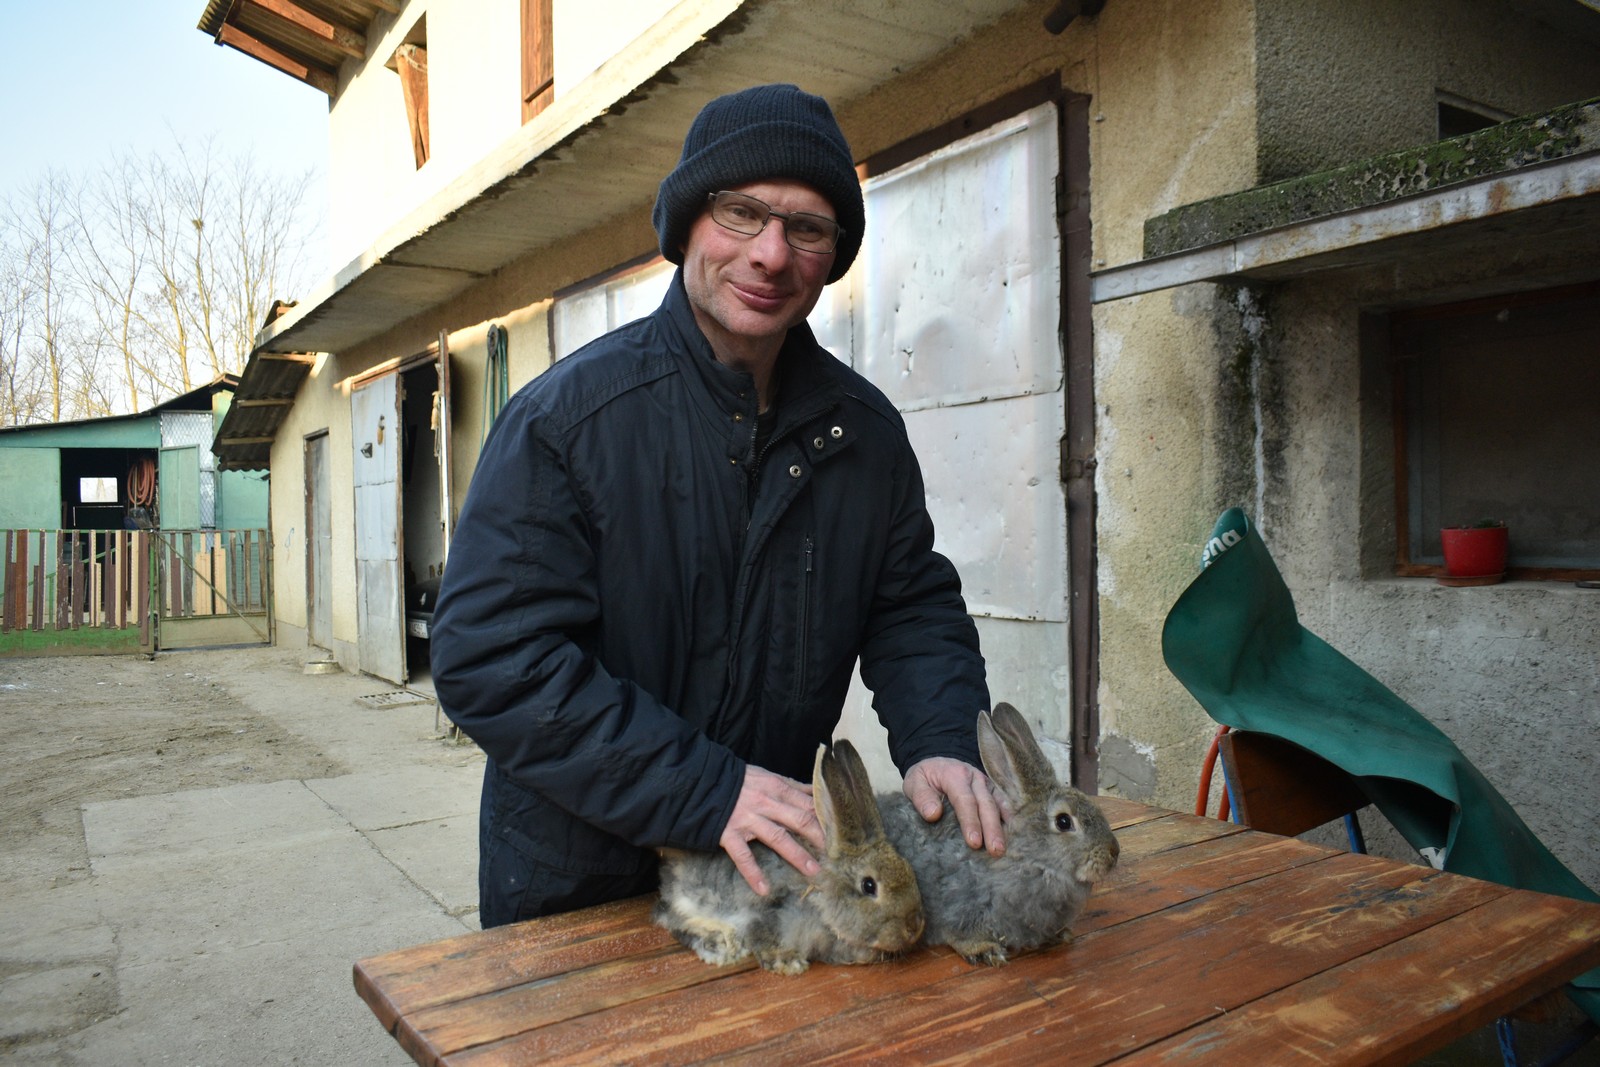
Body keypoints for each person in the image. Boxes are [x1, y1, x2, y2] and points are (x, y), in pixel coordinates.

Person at [430, 83, 1001, 928]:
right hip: (574, 892)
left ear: (832, 256)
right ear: (687, 224)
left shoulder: (864, 436)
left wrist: (943, 738)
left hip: (765, 885)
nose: (771, 254)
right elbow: (491, 657)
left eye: (807, 227)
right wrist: (703, 789)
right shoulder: (568, 422)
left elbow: (909, 606)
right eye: (742, 213)